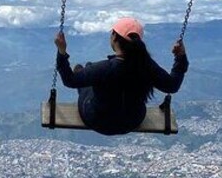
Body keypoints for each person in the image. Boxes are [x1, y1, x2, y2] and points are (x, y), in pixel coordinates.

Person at [54, 17, 188, 135]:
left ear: (114, 37)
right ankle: (85, 73)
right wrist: (180, 57)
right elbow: (172, 85)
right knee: (91, 73)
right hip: (132, 121)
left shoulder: (103, 69)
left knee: (86, 76)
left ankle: (83, 71)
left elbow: (69, 80)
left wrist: (62, 51)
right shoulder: (147, 67)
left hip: (97, 120)